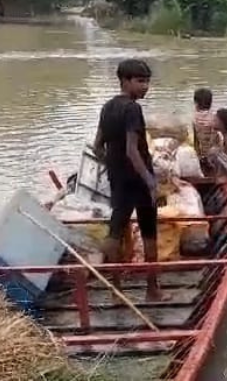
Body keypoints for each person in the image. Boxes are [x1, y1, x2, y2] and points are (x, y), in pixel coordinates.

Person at [93, 59, 161, 301]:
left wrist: (112, 166)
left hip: (118, 179)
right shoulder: (132, 109)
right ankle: (152, 290)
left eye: (147, 82)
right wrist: (150, 182)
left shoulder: (107, 107)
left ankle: (116, 290)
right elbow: (133, 150)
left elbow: (97, 146)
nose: (145, 87)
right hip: (139, 180)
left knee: (116, 232)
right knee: (149, 232)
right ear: (124, 81)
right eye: (140, 81)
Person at [192, 88, 222, 174]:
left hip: (203, 153)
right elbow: (215, 139)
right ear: (210, 103)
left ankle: (204, 161)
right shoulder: (214, 118)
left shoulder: (194, 118)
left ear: (196, 103)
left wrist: (199, 155)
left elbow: (196, 140)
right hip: (214, 153)